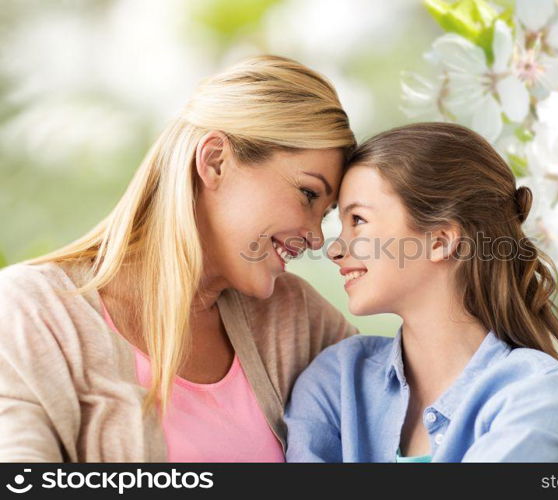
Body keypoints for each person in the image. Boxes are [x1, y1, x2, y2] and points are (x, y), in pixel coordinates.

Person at [0, 55, 358, 462]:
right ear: (214, 161)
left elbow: (418, 403)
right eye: (309, 194)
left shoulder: (297, 318)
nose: (315, 238)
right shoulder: (33, 311)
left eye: (325, 214)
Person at [285, 122, 558, 462]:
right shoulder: (336, 380)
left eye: (358, 220)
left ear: (440, 240)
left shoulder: (531, 391)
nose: (334, 249)